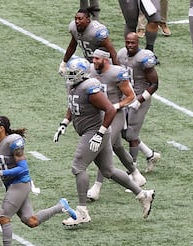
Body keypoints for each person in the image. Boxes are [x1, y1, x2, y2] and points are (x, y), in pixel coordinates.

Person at [54, 58, 156, 225]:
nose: (70, 76)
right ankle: (143, 195)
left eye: (73, 73)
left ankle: (82, 212)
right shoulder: (74, 85)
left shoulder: (90, 87)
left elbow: (109, 109)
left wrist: (100, 134)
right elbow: (73, 105)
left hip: (94, 131)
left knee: (78, 167)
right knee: (108, 170)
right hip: (91, 131)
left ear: (82, 74)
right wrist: (64, 123)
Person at [0, 116, 78, 246]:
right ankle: (61, 206)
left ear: (2, 128)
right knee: (31, 221)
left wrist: (1, 174)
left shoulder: (13, 142)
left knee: (4, 216)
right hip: (11, 184)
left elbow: (23, 168)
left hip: (20, 183)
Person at [86, 49, 147, 201]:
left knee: (103, 147)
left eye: (97, 59)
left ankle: (97, 186)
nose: (94, 62)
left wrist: (117, 106)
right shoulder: (91, 70)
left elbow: (131, 96)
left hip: (116, 115)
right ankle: (135, 173)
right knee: (118, 147)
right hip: (100, 114)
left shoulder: (116, 73)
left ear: (105, 60)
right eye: (93, 58)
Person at [118, 33, 162, 172]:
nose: (130, 45)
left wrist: (139, 101)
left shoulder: (144, 58)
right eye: (128, 42)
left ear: (138, 43)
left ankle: (133, 171)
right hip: (127, 97)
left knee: (131, 134)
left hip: (140, 98)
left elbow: (154, 84)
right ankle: (150, 154)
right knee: (123, 131)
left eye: (133, 43)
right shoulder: (121, 54)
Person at [60, 8, 119, 74]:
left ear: (88, 20)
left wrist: (116, 70)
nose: (77, 21)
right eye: (76, 18)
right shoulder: (74, 28)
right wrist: (64, 62)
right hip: (90, 63)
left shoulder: (97, 31)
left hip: (102, 65)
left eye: (80, 19)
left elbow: (112, 52)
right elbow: (72, 45)